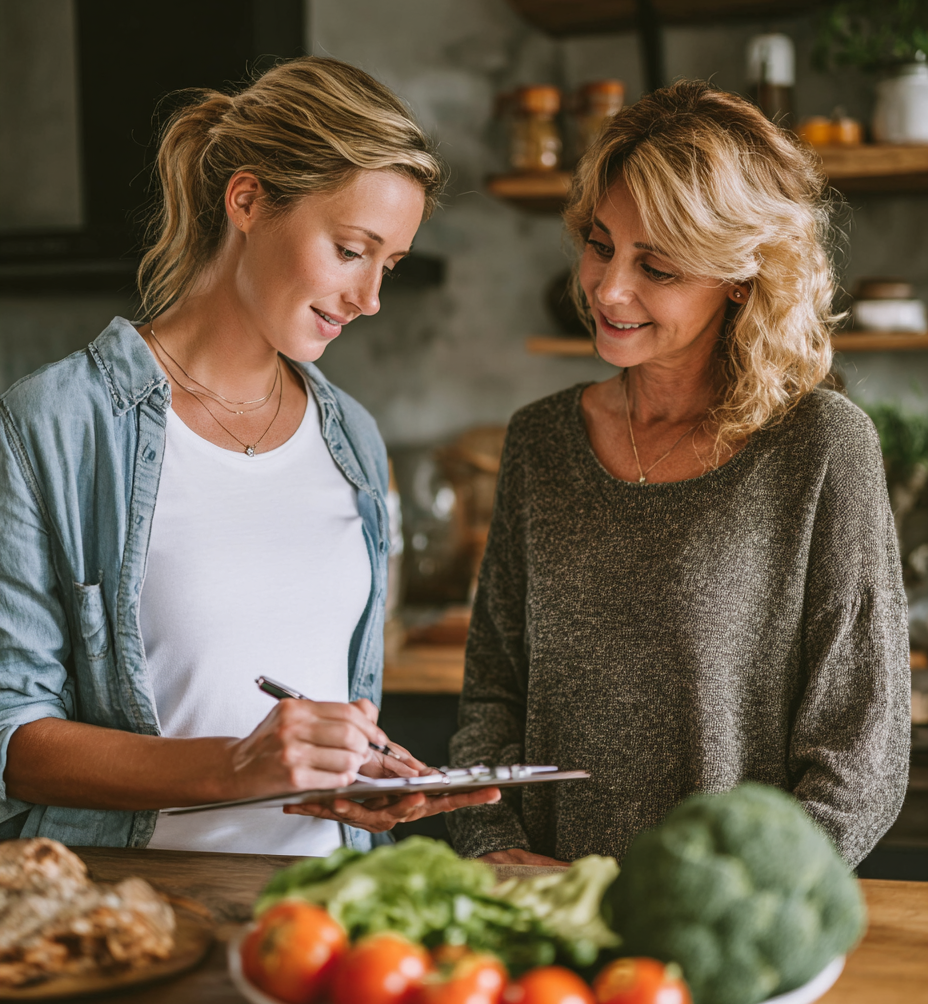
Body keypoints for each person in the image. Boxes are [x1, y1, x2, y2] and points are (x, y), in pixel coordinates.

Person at [0, 57, 499, 853]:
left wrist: (354, 772)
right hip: (143, 917)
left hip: (327, 921)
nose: (370, 298)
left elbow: (332, 707)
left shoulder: (355, 442)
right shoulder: (53, 425)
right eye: (350, 250)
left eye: (389, 266)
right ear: (248, 199)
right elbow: (13, 744)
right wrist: (240, 766)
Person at [446, 81, 909, 870]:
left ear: (738, 276)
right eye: (600, 245)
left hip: (721, 936)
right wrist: (498, 853)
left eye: (655, 266)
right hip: (546, 922)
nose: (607, 289)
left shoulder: (822, 449)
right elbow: (493, 694)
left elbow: (860, 758)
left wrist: (727, 905)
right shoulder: (540, 442)